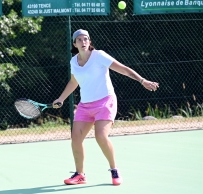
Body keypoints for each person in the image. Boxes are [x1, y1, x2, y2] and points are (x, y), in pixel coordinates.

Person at [52, 29, 159, 186]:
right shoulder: (73, 61)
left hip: (105, 101)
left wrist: (142, 80)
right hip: (85, 105)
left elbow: (122, 69)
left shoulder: (99, 56)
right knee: (76, 139)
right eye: (79, 40)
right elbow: (74, 82)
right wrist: (61, 98)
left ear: (89, 42)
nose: (83, 42)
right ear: (74, 44)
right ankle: (80, 175)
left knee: (100, 136)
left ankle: (114, 170)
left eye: (86, 39)